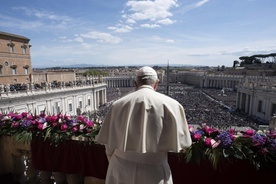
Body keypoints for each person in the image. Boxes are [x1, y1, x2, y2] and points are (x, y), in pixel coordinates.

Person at [96, 66, 192, 184]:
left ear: (135, 83)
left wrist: (114, 160)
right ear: (156, 83)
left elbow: (109, 143)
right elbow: (183, 145)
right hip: (154, 171)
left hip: (120, 168)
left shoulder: (117, 105)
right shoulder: (174, 105)